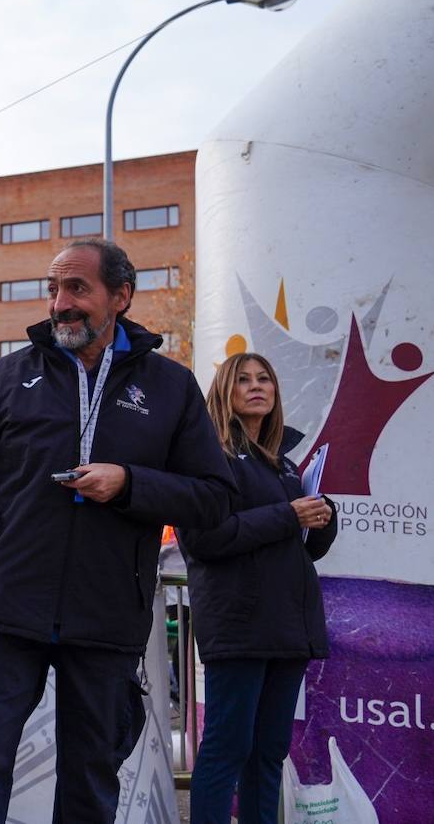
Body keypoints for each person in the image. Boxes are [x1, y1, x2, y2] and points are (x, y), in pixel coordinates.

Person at [0, 238, 233, 822]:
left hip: (107, 616)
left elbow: (215, 497)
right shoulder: (6, 378)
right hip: (5, 610)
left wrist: (130, 484)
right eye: (53, 289)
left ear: (121, 296)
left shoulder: (170, 387)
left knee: (91, 783)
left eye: (76, 288)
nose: (60, 303)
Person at [182, 352, 337, 824]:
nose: (256, 386)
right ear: (224, 392)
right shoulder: (207, 457)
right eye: (243, 379)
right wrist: (288, 514)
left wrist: (322, 517)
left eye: (264, 378)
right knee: (227, 748)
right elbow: (205, 540)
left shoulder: (284, 464)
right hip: (239, 626)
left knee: (269, 751)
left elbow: (301, 551)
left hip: (288, 627)